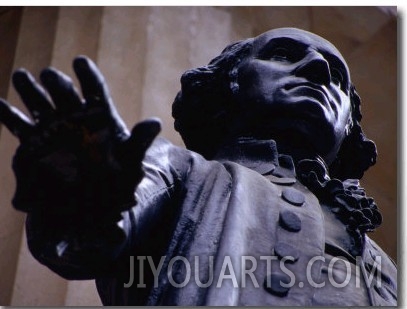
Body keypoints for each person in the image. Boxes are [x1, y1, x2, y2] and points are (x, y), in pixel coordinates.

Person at [0, 28, 397, 306]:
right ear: (230, 82)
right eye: (283, 54)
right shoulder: (180, 169)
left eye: (339, 78)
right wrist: (83, 191)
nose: (319, 71)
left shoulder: (382, 259)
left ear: (348, 128)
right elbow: (87, 240)